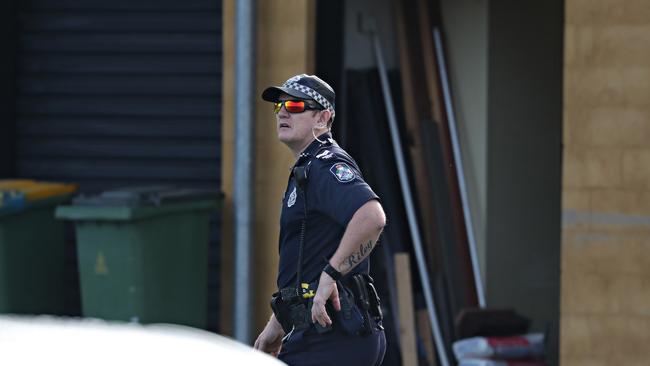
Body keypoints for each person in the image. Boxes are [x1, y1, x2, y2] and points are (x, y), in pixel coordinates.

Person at [253, 74, 387, 366]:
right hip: (316, 332)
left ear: (323, 117)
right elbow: (306, 260)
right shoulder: (308, 167)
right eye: (279, 106)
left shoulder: (325, 164)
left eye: (296, 104)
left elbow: (371, 217)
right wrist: (277, 324)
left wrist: (331, 274)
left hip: (333, 334)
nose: (284, 111)